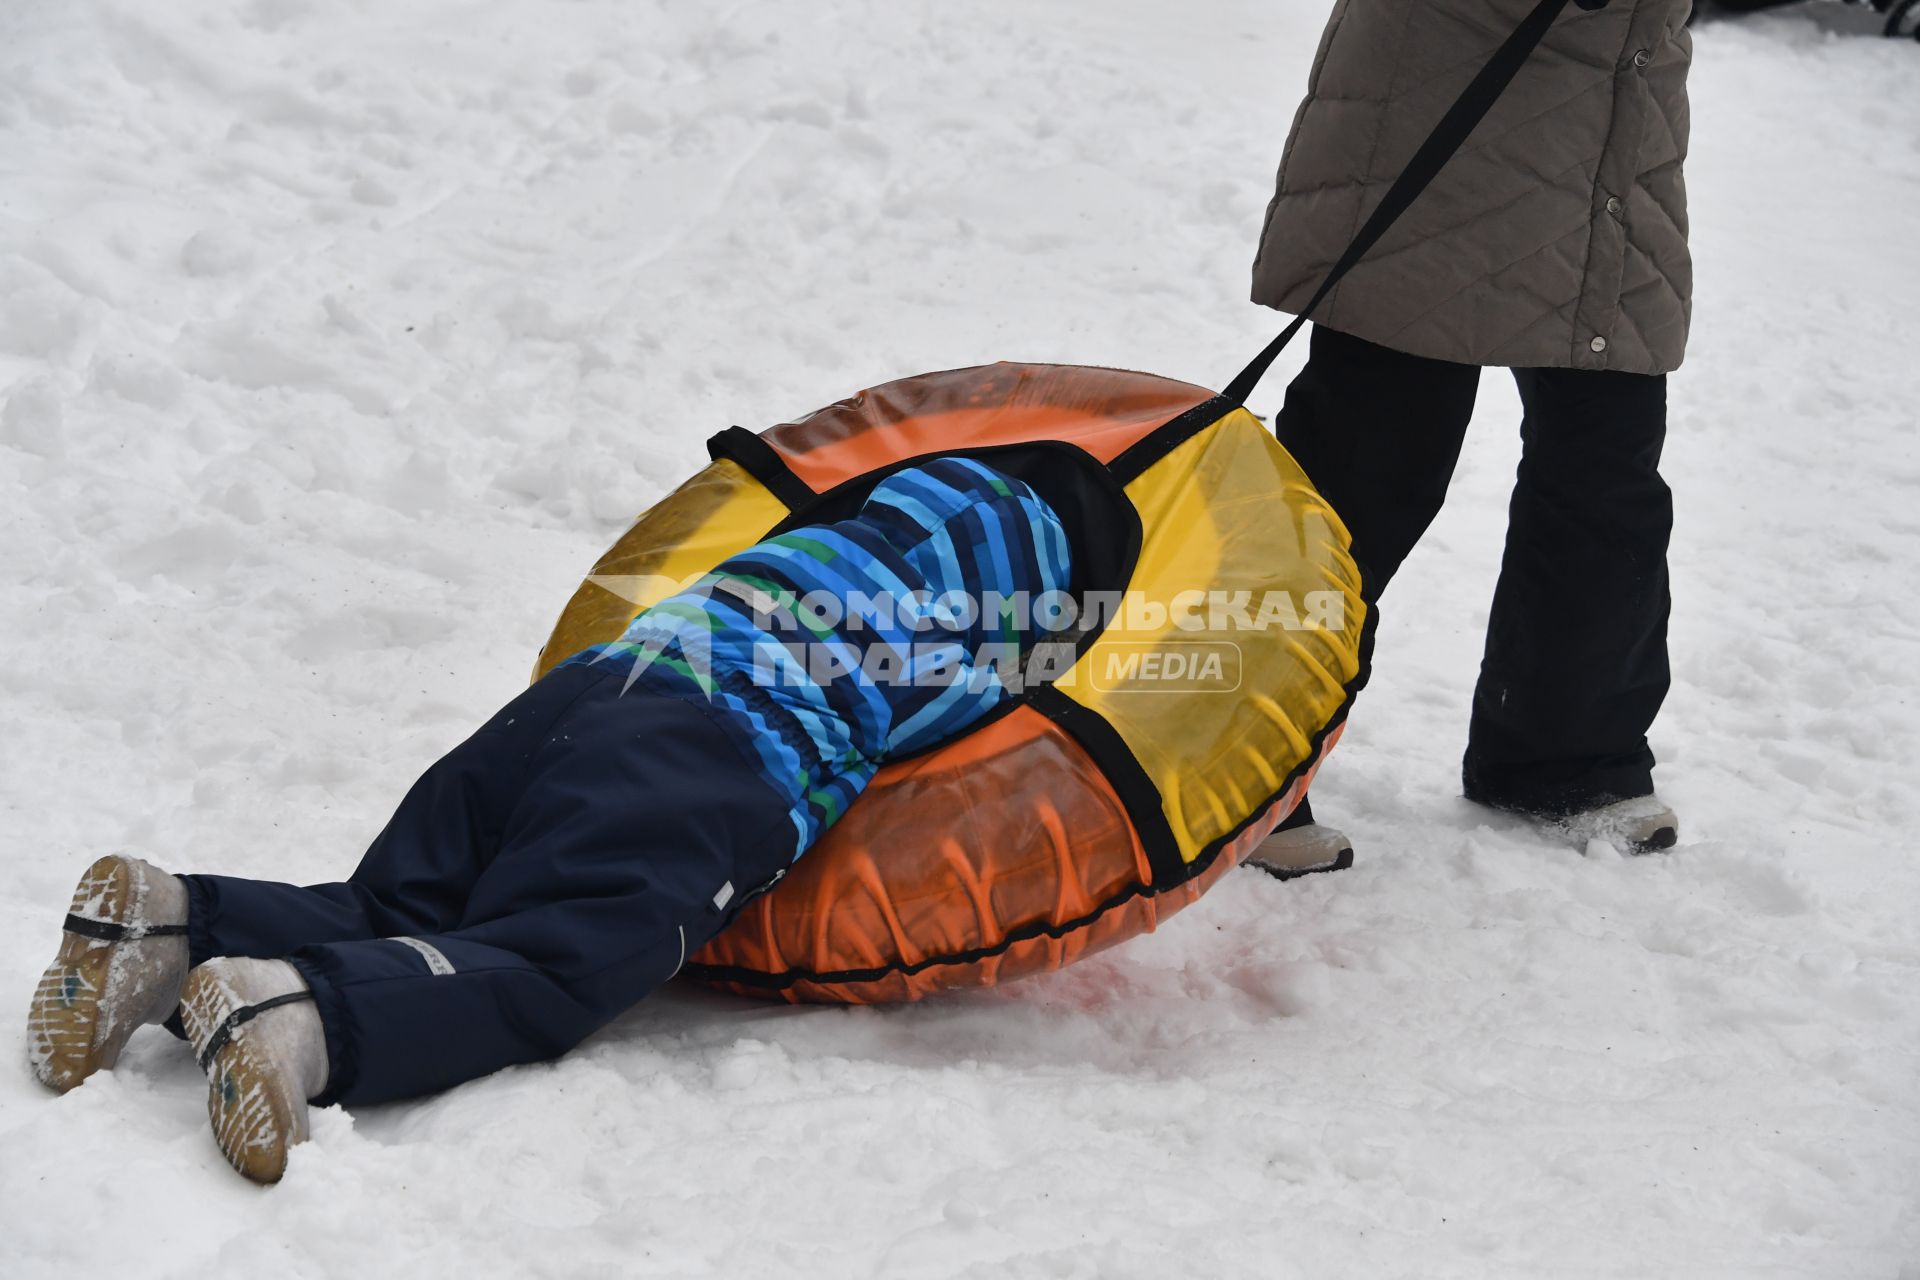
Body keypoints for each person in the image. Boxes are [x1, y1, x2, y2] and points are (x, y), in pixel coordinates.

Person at [27, 457, 1071, 1183]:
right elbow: (960, 766)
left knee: (403, 900)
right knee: (554, 958)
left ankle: (172, 927)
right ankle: (298, 1016)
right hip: (713, 756)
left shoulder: (795, 551)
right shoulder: (969, 635)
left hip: (583, 696)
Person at [1245, 0, 1692, 874]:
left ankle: (1567, 758)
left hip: (1615, 115)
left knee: (1606, 466)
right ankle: (1237, 766)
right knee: (1367, 465)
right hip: (1446, 87)